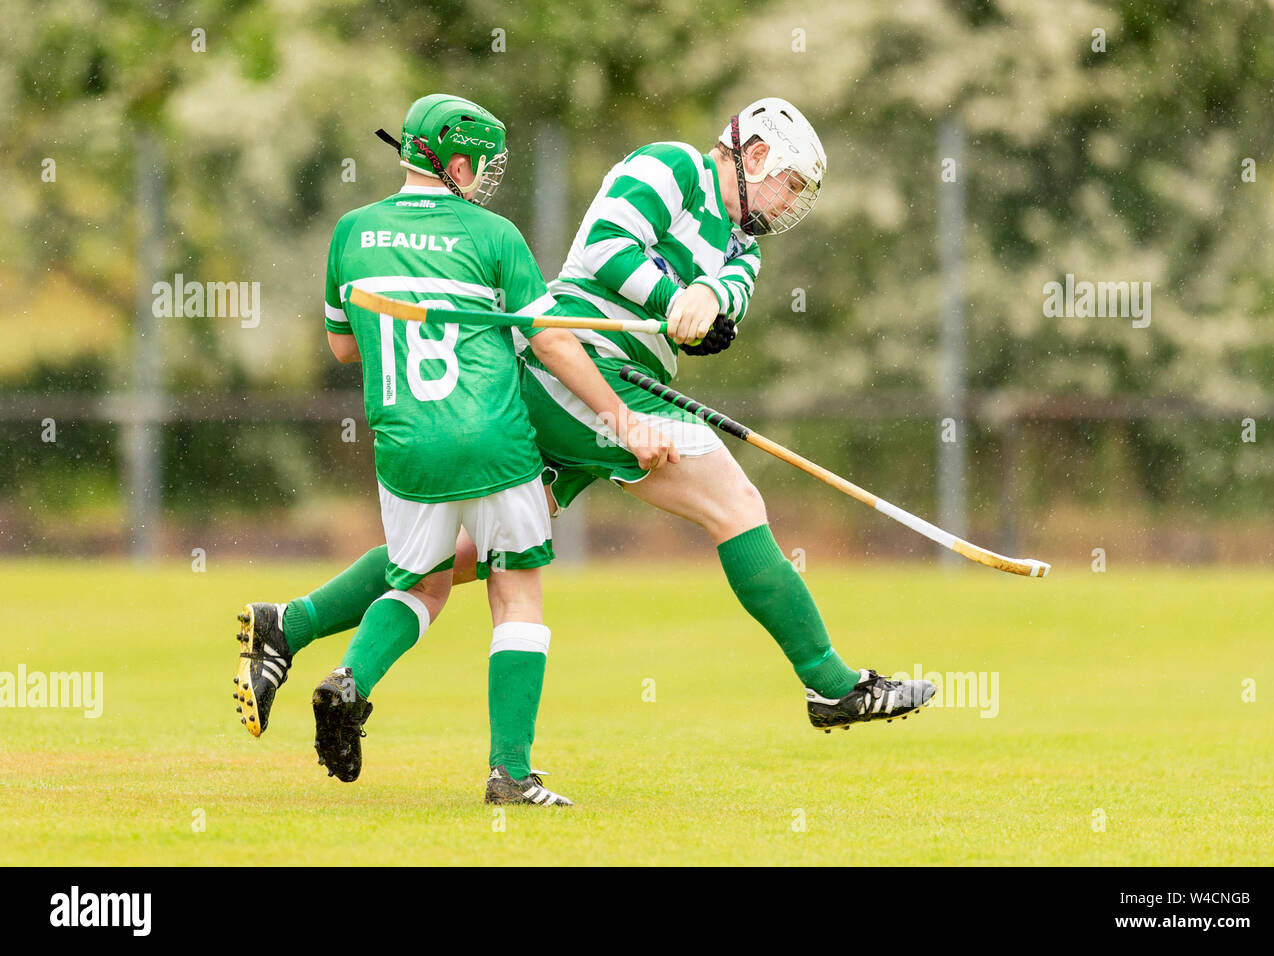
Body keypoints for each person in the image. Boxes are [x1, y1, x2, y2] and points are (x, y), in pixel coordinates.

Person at [233, 97, 933, 766]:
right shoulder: (670, 169)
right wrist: (671, 298)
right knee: (736, 504)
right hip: (573, 371)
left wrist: (707, 302)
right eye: (787, 184)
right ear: (752, 155)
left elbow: (725, 307)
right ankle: (831, 684)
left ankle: (286, 626)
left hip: (611, 388)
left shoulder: (744, 250)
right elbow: (604, 250)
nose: (788, 204)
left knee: (453, 559)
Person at [232, 93, 675, 808]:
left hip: (403, 445)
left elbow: (343, 345)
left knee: (420, 586)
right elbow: (551, 338)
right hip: (492, 441)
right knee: (516, 593)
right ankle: (510, 773)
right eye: (482, 167)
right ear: (457, 162)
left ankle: (350, 680)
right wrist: (623, 418)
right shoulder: (494, 236)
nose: (483, 181)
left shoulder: (350, 231)